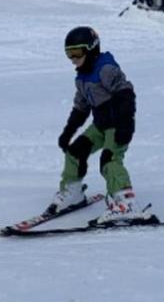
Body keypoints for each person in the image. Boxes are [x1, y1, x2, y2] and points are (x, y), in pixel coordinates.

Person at [48, 26, 138, 223]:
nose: (73, 58)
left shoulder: (105, 70)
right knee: (75, 152)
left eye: (77, 52)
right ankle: (73, 193)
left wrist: (125, 124)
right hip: (100, 125)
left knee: (109, 160)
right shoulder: (82, 78)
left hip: (118, 124)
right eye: (68, 54)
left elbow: (126, 94)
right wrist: (68, 132)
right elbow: (81, 108)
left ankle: (125, 202)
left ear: (91, 49)